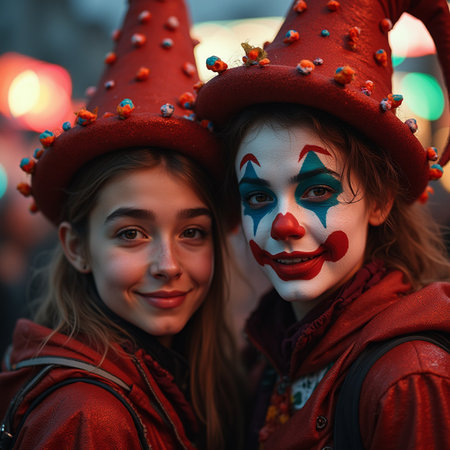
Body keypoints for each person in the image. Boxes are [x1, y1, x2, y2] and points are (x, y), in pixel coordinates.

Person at [195, 0, 450, 448]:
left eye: (316, 191)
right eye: (257, 196)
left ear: (379, 201)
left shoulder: (409, 377)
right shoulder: (268, 359)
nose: (283, 224)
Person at [0, 1, 244, 449]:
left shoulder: (198, 376)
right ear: (77, 247)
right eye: (131, 233)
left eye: (192, 232)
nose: (167, 265)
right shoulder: (89, 419)